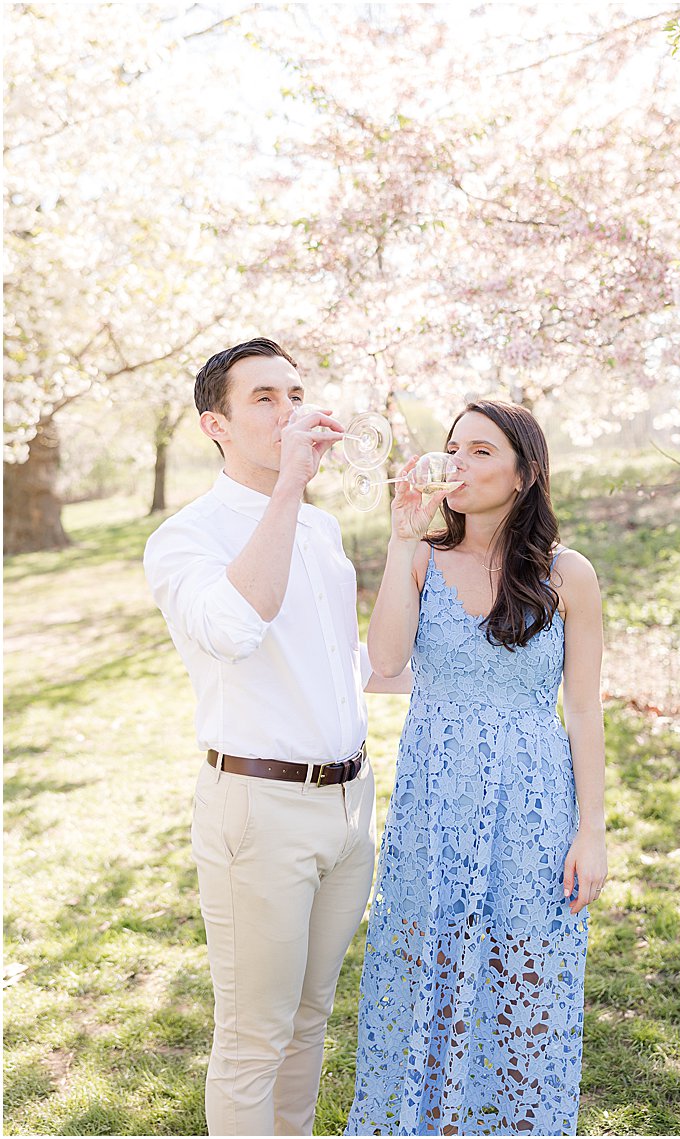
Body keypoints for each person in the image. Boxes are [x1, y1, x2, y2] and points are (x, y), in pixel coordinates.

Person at [144, 337, 405, 1136]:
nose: (289, 412)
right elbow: (234, 626)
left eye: (295, 393)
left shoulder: (322, 532)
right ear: (213, 424)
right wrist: (289, 485)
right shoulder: (185, 538)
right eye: (264, 398)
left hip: (350, 804)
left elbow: (346, 664)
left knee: (311, 1016)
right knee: (255, 1035)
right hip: (257, 811)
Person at [345, 399, 607, 1136]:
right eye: (452, 447)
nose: (456, 461)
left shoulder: (567, 574)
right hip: (437, 797)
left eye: (481, 451)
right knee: (429, 972)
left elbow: (583, 710)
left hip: (532, 801)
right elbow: (390, 660)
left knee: (526, 979)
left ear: (525, 474)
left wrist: (593, 831)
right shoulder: (423, 556)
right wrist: (400, 543)